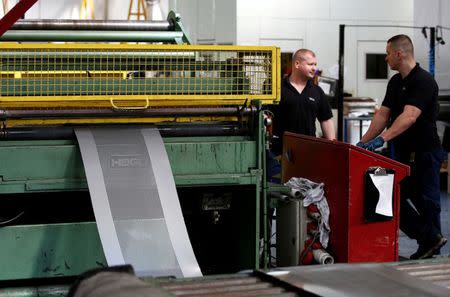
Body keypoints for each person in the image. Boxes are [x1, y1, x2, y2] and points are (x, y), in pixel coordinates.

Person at [357, 34, 447, 259]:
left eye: (388, 53)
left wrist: (383, 139)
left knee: (428, 202)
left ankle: (430, 248)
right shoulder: (396, 82)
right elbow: (383, 115)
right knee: (386, 196)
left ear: (399, 53)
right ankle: (429, 238)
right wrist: (364, 142)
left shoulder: (424, 81)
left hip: (425, 153)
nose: (386, 59)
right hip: (404, 155)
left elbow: (409, 116)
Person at [274, 48, 336, 150]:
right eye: (310, 64)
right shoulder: (278, 89)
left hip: (309, 150)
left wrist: (332, 146)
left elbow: (326, 119)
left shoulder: (317, 91)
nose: (314, 68)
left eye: (315, 65)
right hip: (281, 150)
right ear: (297, 64)